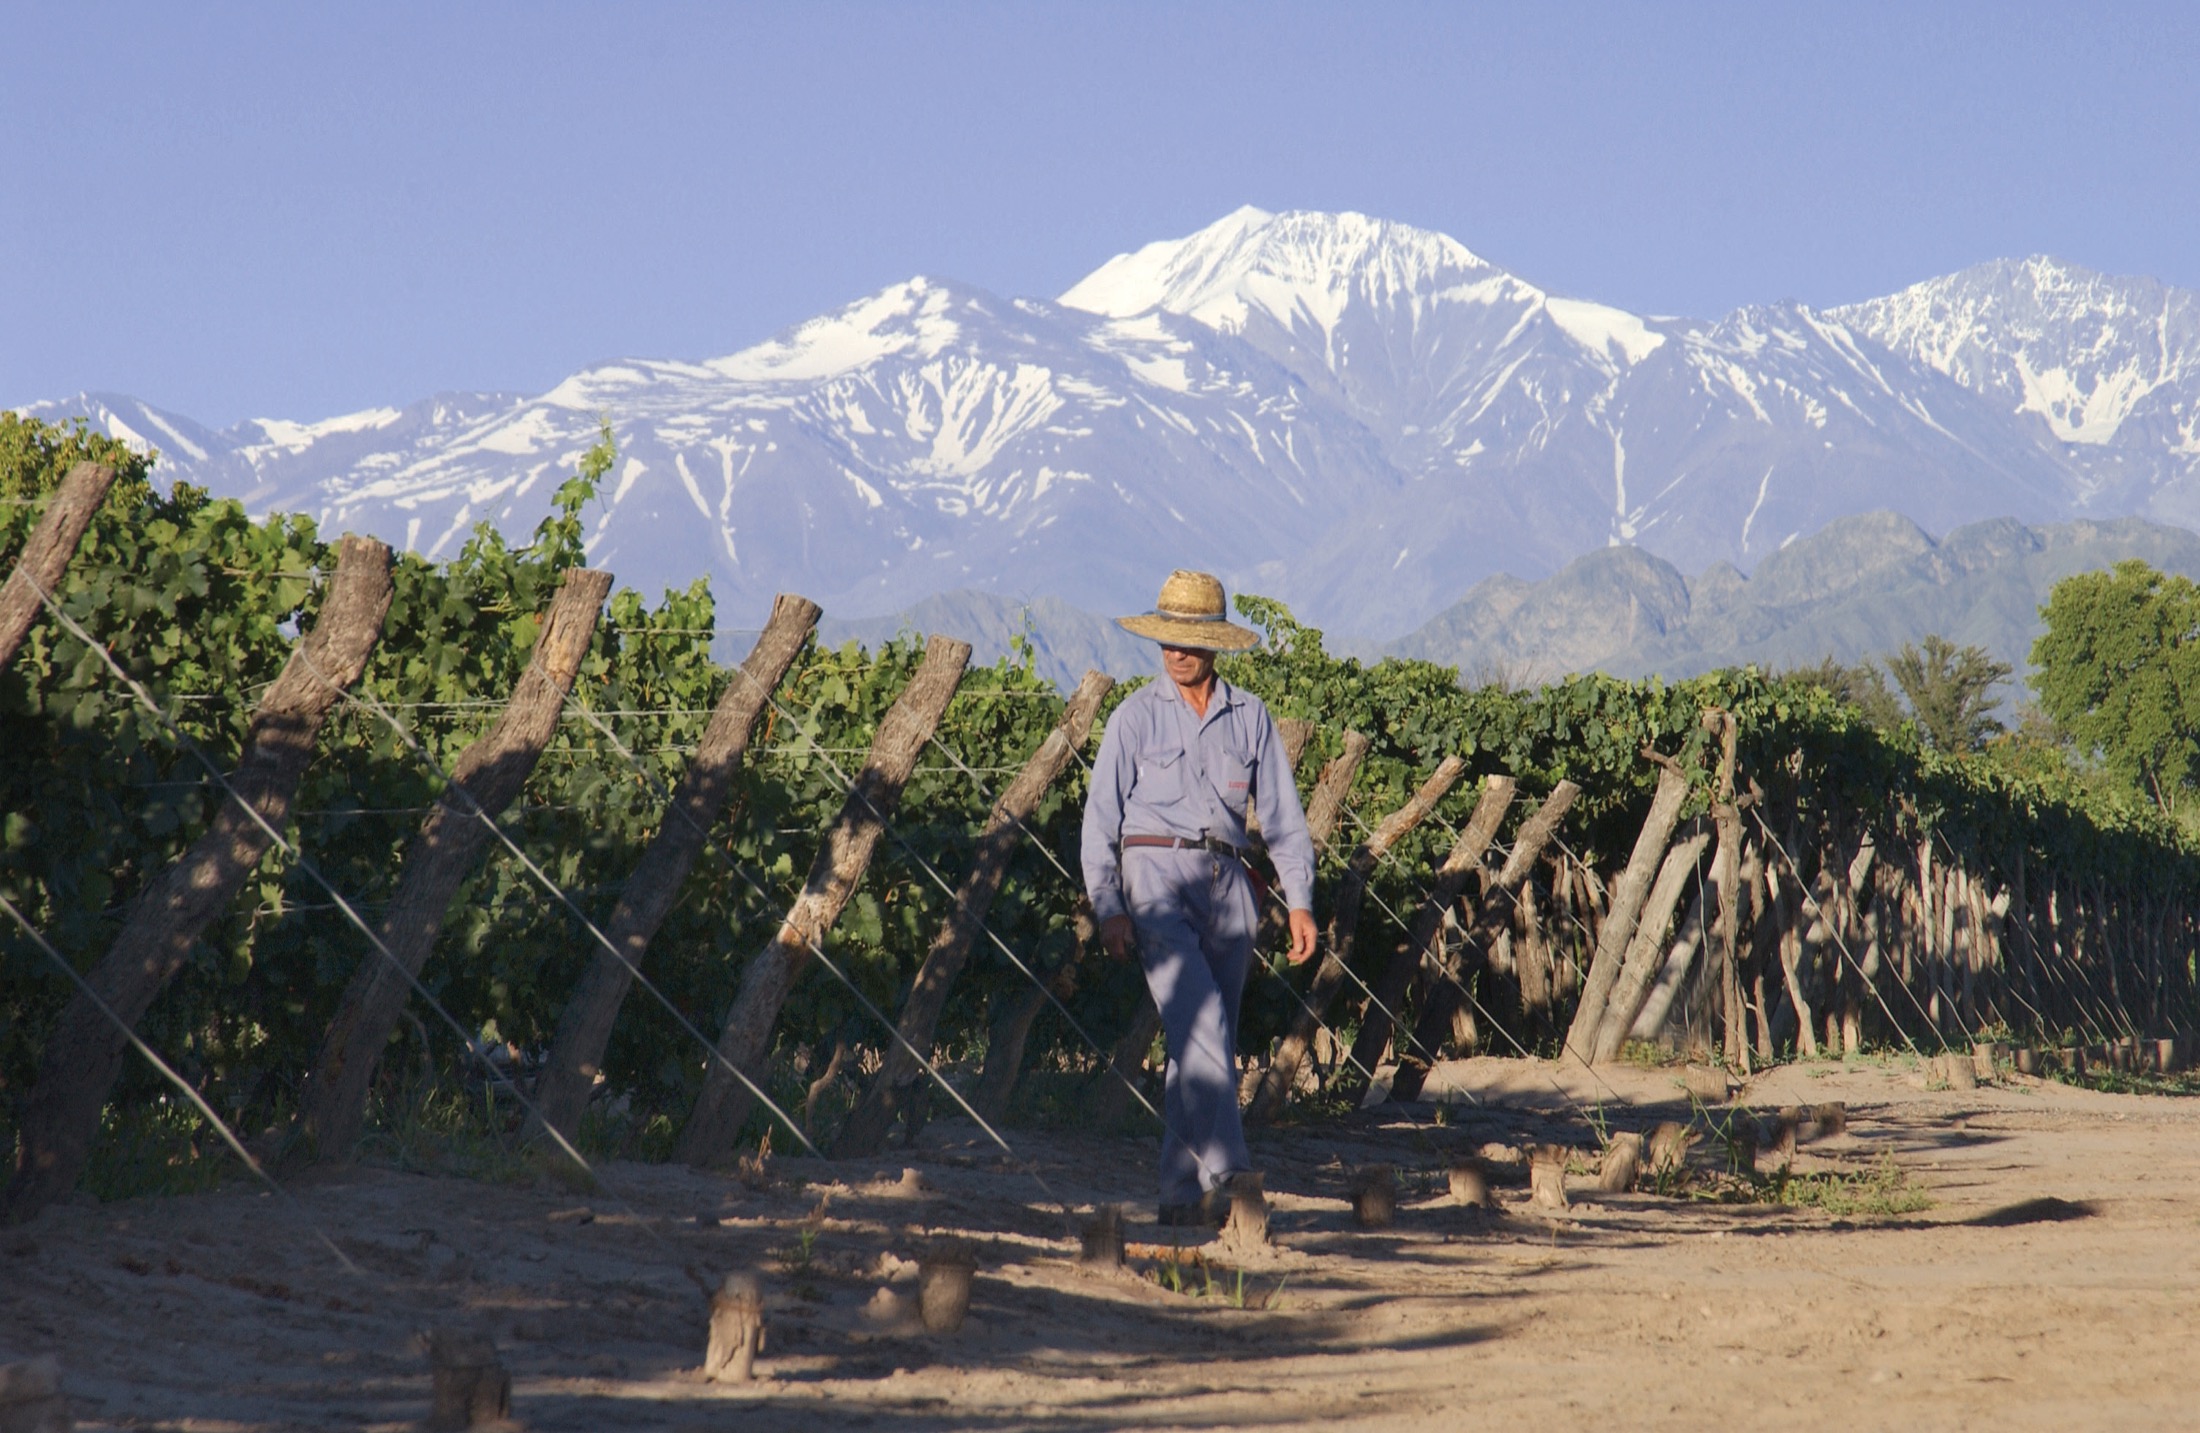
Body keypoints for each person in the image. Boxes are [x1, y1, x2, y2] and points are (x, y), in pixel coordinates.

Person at [1080, 570, 1319, 1225]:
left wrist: (1299, 899)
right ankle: (1231, 1174)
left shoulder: (1250, 716)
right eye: (1169, 638)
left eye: (1190, 639)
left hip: (1230, 884)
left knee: (1201, 1039)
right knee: (1202, 1019)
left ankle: (1181, 1197)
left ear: (1216, 643)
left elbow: (1282, 816)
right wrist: (1110, 906)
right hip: (1155, 878)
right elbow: (1100, 822)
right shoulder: (1133, 717)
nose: (1178, 651)